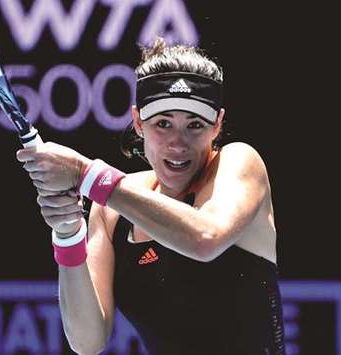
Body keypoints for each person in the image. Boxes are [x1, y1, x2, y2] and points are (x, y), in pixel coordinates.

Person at [16, 38, 285, 355]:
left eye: (195, 125)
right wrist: (67, 233)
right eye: (163, 124)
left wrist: (87, 174)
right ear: (138, 122)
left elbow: (205, 238)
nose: (177, 143)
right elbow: (87, 341)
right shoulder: (111, 212)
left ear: (218, 125)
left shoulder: (239, 163)